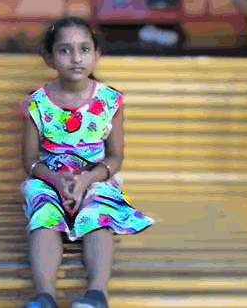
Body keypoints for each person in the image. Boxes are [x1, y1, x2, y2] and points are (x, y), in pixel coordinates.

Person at [19, 17, 155, 308]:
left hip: (94, 178)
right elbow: (29, 160)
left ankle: (96, 294)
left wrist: (87, 180)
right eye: (64, 50)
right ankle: (44, 296)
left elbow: (115, 157)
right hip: (51, 180)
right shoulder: (36, 104)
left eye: (84, 49)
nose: (76, 58)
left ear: (96, 54)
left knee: (98, 213)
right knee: (43, 216)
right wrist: (56, 180)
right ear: (49, 58)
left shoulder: (110, 101)